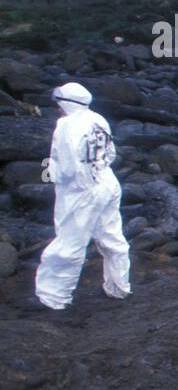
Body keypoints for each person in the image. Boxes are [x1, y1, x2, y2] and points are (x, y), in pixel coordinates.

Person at [34, 83, 131, 310]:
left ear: (65, 103)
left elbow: (67, 167)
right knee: (112, 237)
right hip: (107, 181)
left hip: (82, 190)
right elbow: (111, 153)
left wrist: (54, 175)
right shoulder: (98, 119)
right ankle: (119, 287)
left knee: (69, 243)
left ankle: (54, 298)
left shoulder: (66, 126)